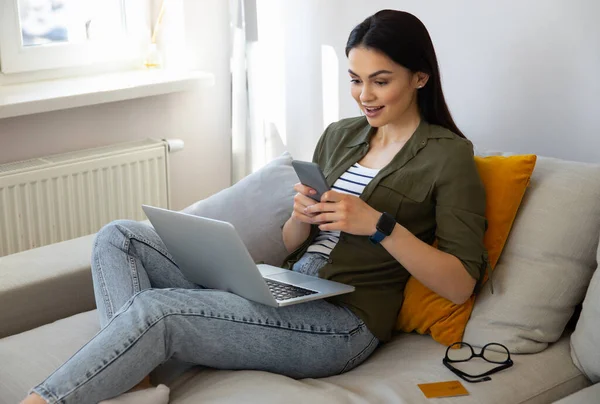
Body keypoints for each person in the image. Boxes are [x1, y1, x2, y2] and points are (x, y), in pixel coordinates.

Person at [21, 9, 487, 404]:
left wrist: (380, 225)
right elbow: (291, 243)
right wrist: (299, 217)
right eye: (356, 80)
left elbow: (460, 283)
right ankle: (136, 379)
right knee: (118, 236)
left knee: (157, 310)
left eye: (380, 81)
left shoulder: (448, 155)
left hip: (342, 324)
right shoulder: (341, 135)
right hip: (286, 283)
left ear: (419, 77)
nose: (364, 95)